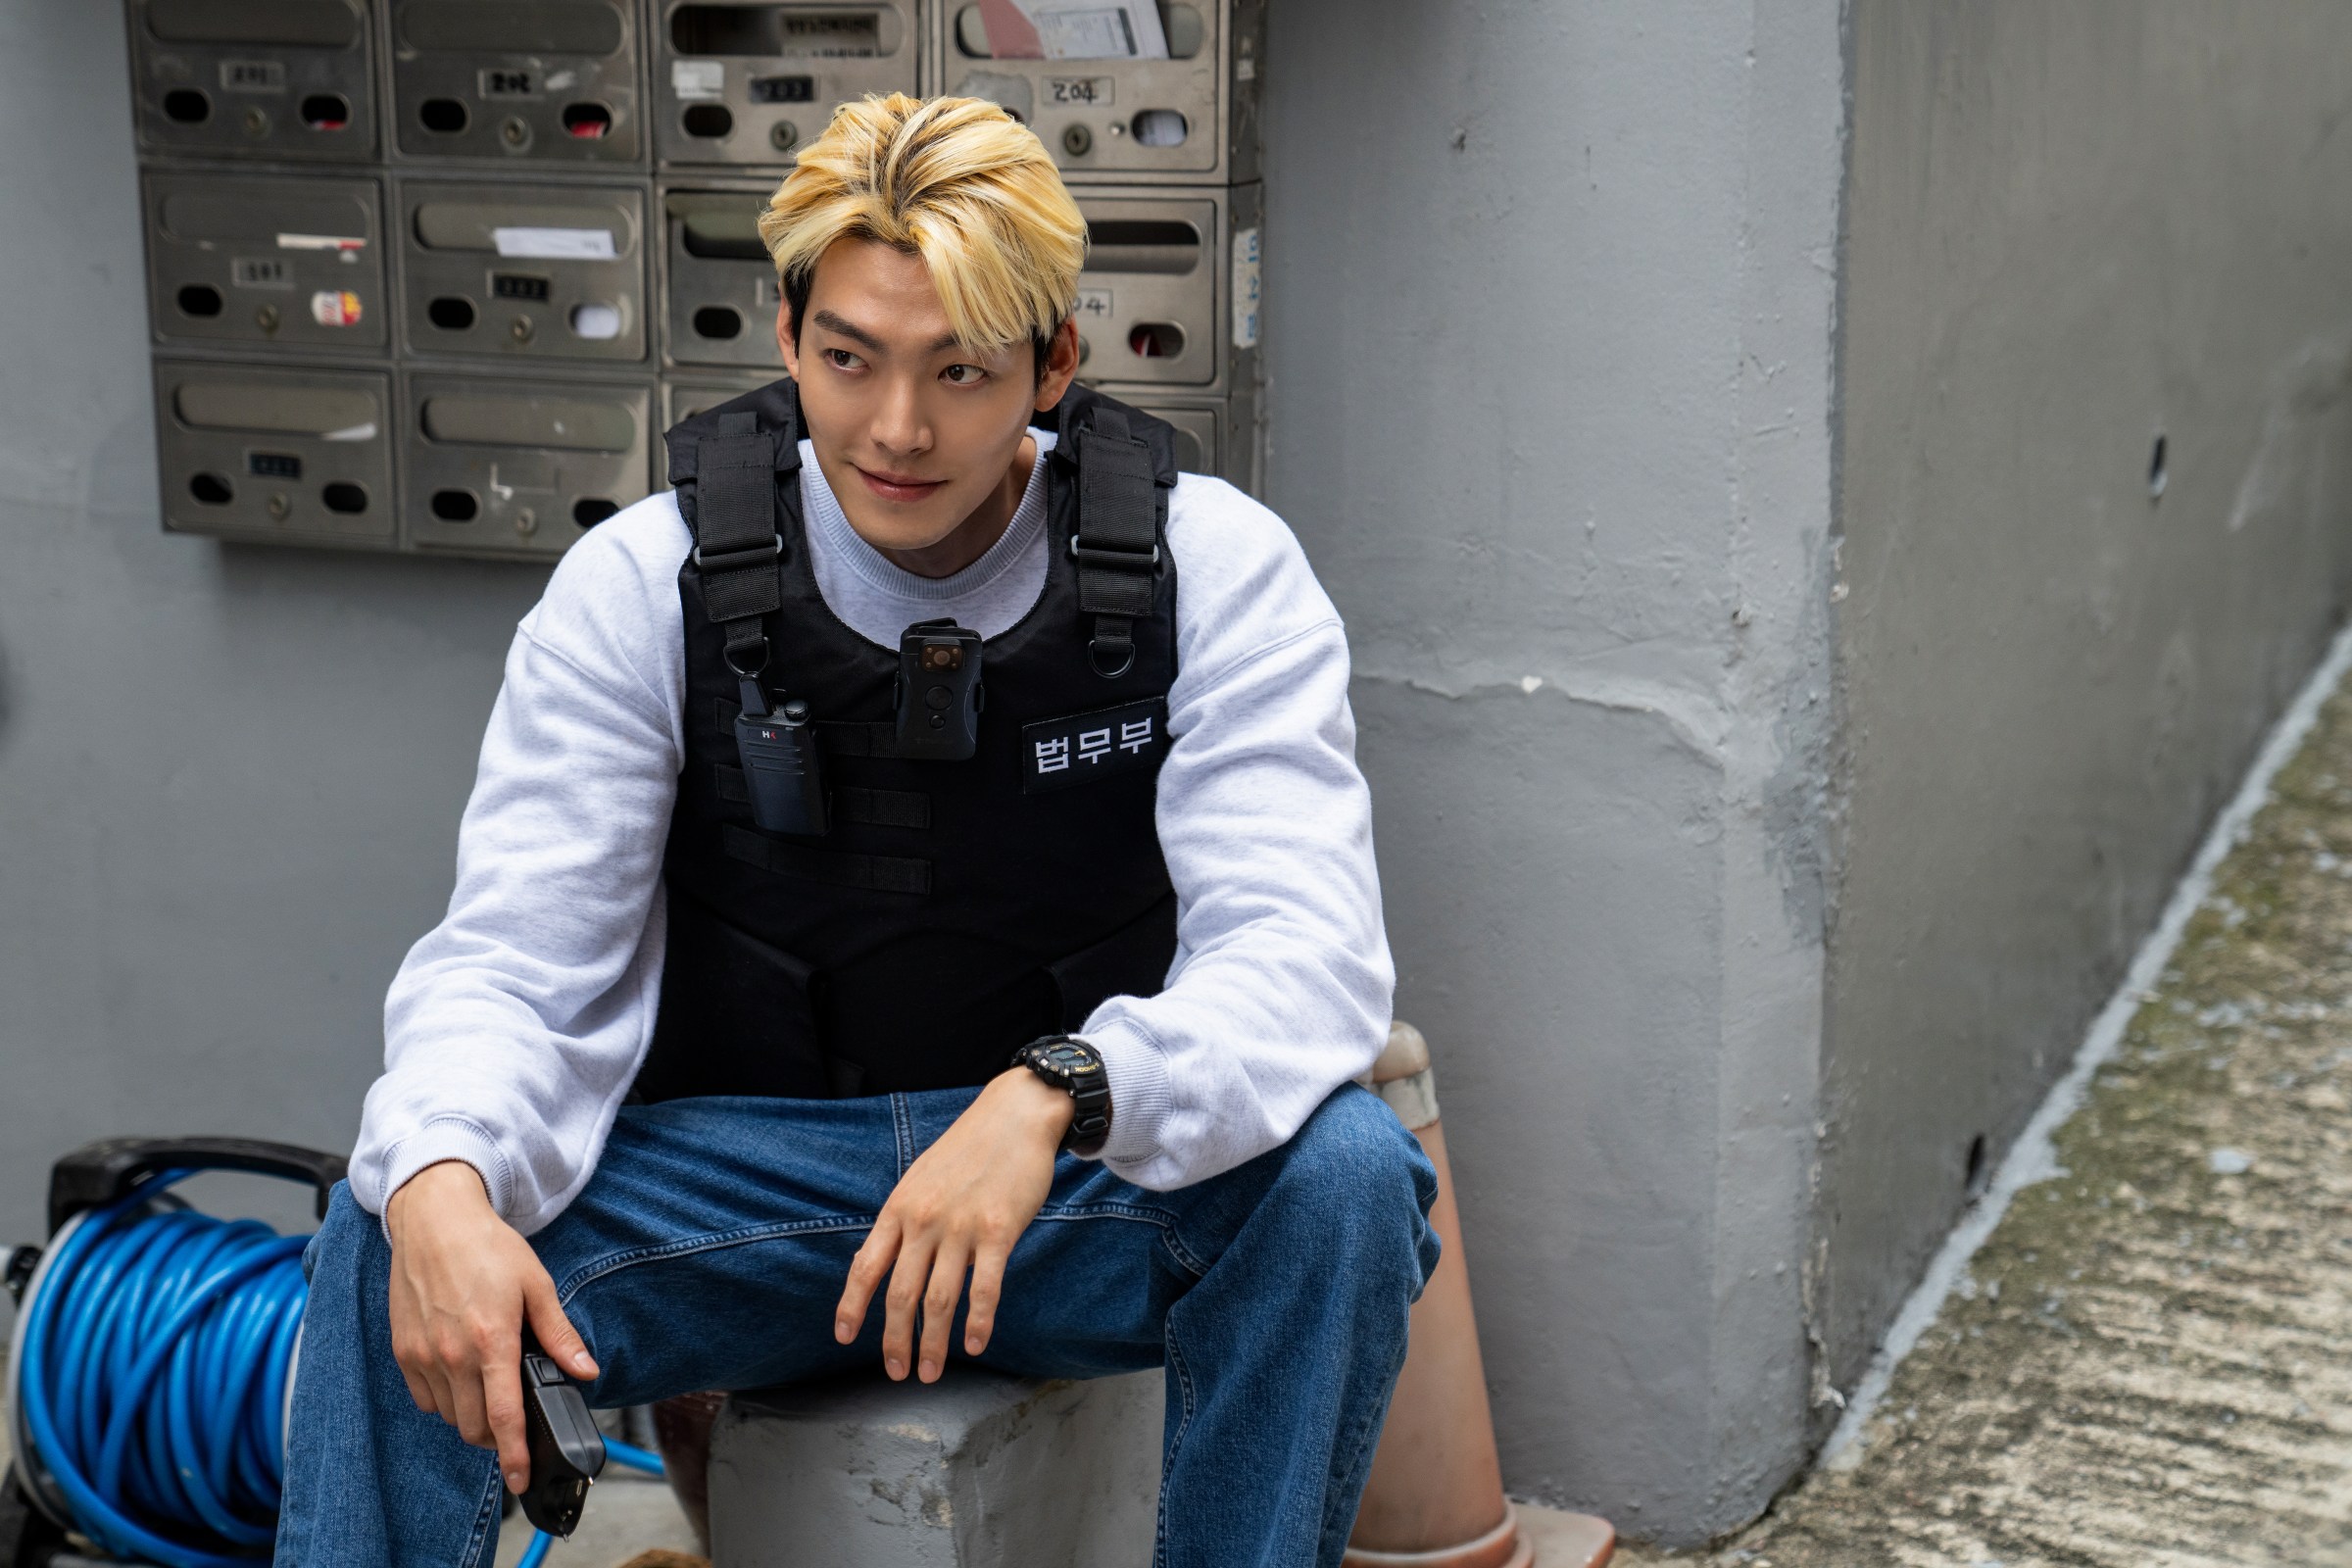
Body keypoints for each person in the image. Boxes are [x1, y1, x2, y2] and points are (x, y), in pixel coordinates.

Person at [275, 94, 1436, 1568]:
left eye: (959, 371)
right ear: (786, 335)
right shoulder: (643, 584)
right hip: (763, 1191)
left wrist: (1053, 1096)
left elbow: (1309, 959)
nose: (897, 427)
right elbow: (513, 965)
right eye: (850, 359)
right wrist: (441, 1173)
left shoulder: (1213, 568)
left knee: (1342, 1185)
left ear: (1054, 362)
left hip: (1067, 1194)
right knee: (393, 1230)